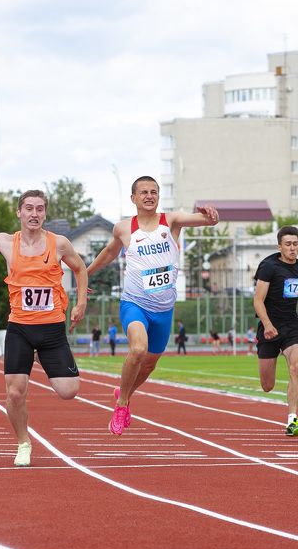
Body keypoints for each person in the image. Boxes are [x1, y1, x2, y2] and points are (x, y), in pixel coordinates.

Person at [0, 189, 88, 466]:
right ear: (19, 212)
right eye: (29, 209)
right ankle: (23, 443)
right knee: (14, 392)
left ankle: (42, 354)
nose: (34, 214)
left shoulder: (59, 243)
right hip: (20, 327)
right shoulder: (6, 242)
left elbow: (80, 269)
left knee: (69, 391)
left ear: (45, 213)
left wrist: (81, 303)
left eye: (40, 209)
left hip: (52, 329)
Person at [86, 176, 219, 435]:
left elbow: (208, 221)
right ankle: (122, 405)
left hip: (164, 309)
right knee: (138, 349)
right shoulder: (123, 228)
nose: (149, 196)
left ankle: (125, 391)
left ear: (159, 196)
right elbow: (110, 253)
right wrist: (86, 273)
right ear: (133, 198)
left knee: (149, 364)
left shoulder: (172, 221)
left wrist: (211, 215)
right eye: (144, 192)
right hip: (134, 303)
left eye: (154, 192)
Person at [253, 225, 298, 437]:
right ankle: (266, 351)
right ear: (280, 246)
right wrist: (268, 325)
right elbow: (258, 300)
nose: (292, 248)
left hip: (291, 327)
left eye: (295, 244)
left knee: (296, 367)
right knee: (267, 385)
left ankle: (293, 419)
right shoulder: (269, 267)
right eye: (288, 244)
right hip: (269, 327)